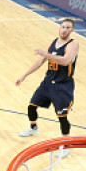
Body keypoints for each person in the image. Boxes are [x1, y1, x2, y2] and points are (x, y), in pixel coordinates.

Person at [15, 18, 80, 156]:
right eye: (63, 27)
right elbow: (40, 61)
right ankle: (33, 127)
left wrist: (46, 54)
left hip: (63, 86)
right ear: (59, 28)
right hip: (47, 82)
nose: (64, 30)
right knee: (31, 106)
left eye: (68, 28)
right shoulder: (53, 42)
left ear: (72, 30)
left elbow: (65, 61)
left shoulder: (73, 44)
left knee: (62, 117)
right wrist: (24, 75)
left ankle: (66, 145)